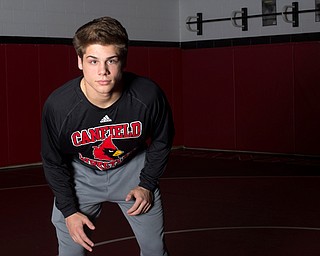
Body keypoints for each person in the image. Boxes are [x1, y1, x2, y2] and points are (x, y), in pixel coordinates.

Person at [41, 16, 174, 256]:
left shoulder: (147, 96)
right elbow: (53, 161)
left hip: (132, 171)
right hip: (80, 177)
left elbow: (162, 141)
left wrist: (147, 184)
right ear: (80, 62)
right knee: (70, 252)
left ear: (122, 61)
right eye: (93, 61)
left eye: (111, 60)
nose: (102, 71)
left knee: (155, 249)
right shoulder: (60, 106)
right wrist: (69, 211)